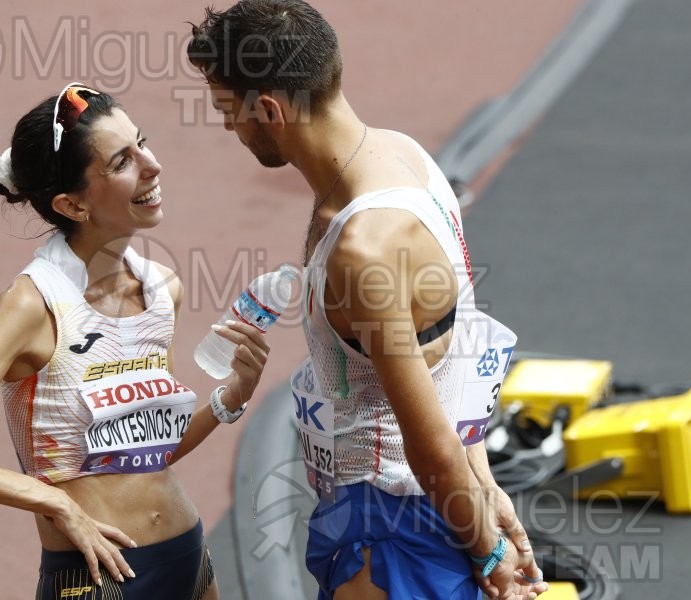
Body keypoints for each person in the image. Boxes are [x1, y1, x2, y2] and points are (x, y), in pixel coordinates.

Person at [187, 3, 548, 599]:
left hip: (395, 526)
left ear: (271, 110)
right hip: (431, 505)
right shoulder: (405, 156)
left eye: (230, 112)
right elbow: (457, 356)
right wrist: (485, 494)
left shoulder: (361, 247)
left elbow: (428, 446)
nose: (230, 128)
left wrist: (490, 556)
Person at [0, 83, 271, 600]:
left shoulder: (163, 288)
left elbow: (148, 453)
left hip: (188, 559)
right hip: (95, 580)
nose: (151, 165)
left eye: (143, 143)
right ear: (73, 204)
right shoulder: (33, 304)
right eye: (122, 161)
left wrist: (234, 394)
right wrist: (51, 502)